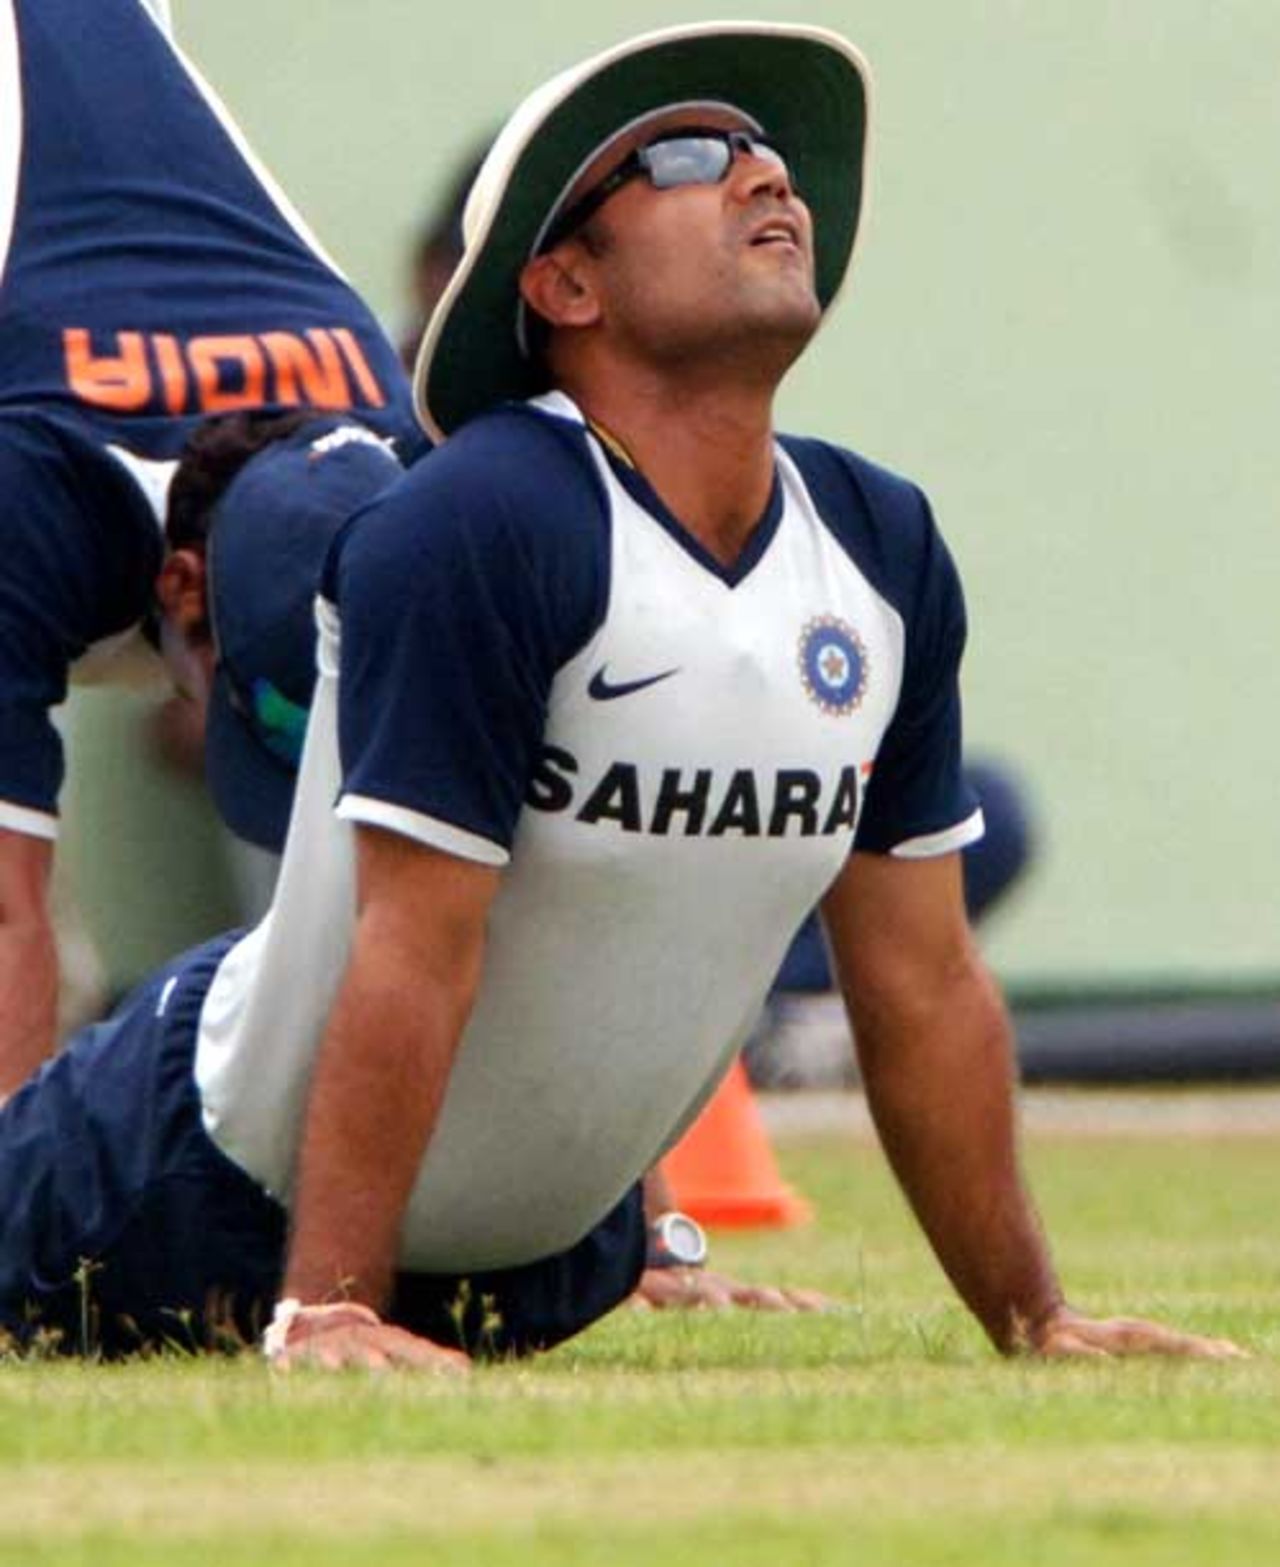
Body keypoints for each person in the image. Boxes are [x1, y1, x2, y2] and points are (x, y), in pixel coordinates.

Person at [0, 22, 1243, 1367]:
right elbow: (414, 947)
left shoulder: (881, 542)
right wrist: (330, 1306)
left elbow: (925, 982)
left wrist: (1035, 1318)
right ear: (566, 283)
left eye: (771, 157)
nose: (766, 178)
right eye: (692, 156)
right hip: (186, 1184)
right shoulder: (481, 518)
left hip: (554, 1261)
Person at [0, 0, 415, 1097]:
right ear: (181, 587)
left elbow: (526, 867)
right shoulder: (38, 495)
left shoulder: (433, 494)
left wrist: (646, 1228)